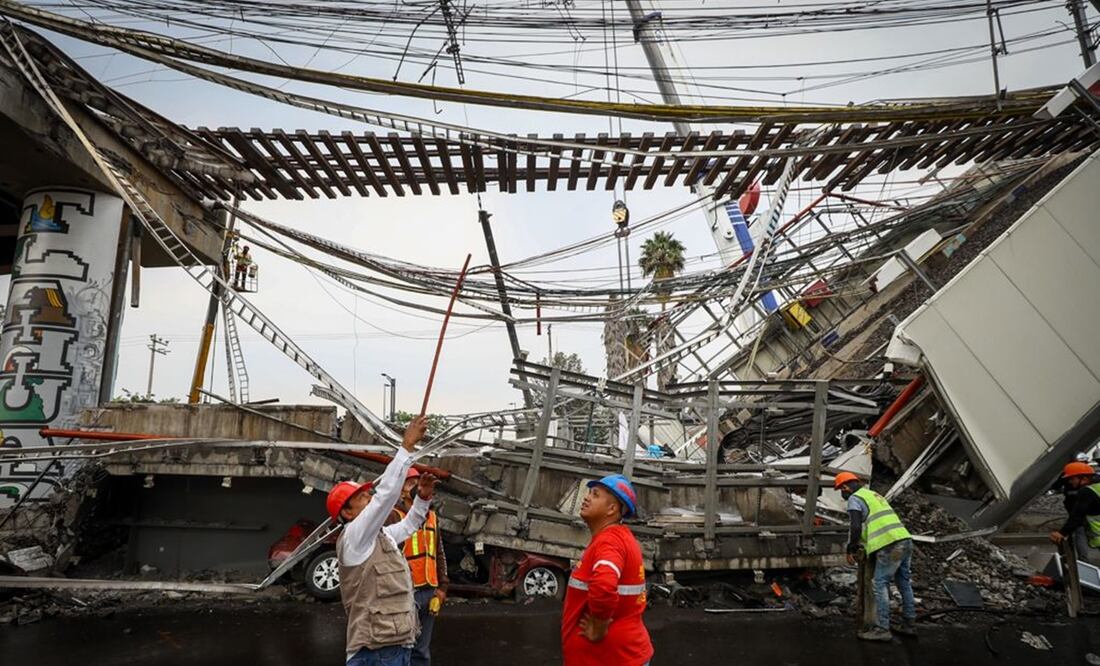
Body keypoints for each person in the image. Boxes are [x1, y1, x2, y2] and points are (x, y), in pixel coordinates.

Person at [326, 415, 437, 666]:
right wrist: (406, 447)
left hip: (394, 644)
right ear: (347, 512)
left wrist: (422, 499)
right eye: (362, 497)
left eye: (367, 494)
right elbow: (385, 496)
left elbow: (410, 526)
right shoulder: (355, 537)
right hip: (376, 650)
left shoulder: (380, 536)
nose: (369, 497)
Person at [561, 474, 653, 666]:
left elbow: (604, 585)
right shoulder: (617, 538)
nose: (586, 497)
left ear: (612, 509)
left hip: (610, 658)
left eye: (595, 495)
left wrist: (599, 626)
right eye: (589, 493)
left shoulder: (610, 541)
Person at [835, 471, 916, 642]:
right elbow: (872, 524)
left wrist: (851, 549)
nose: (841, 493)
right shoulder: (874, 494)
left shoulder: (854, 499)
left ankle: (882, 629)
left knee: (879, 583)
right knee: (904, 582)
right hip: (905, 539)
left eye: (840, 490)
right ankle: (909, 625)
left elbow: (856, 527)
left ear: (845, 487)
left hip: (889, 545)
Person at [394, 467, 449, 666]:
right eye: (410, 483)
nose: (416, 486)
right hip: (402, 594)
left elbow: (439, 553)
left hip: (428, 592)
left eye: (418, 483)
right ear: (399, 489)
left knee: (421, 652)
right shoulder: (393, 517)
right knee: (399, 649)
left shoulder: (432, 517)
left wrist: (442, 588)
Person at [1049, 461, 1100, 563]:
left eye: (1072, 479)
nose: (1070, 482)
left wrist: (1062, 533)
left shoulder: (1086, 492)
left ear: (1084, 478)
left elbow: (1077, 515)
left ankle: (1084, 561)